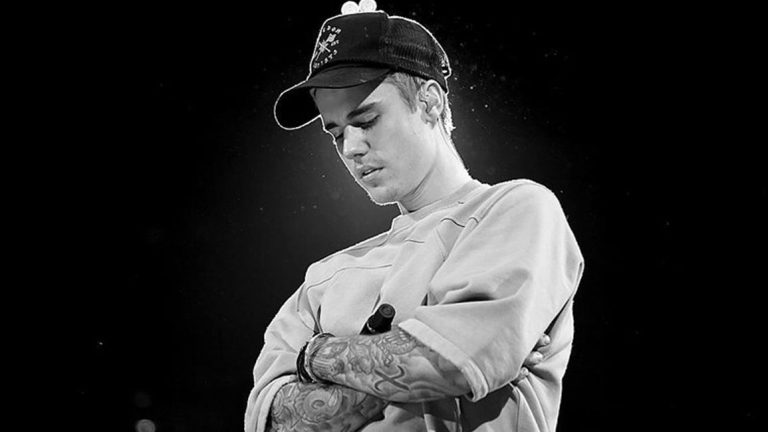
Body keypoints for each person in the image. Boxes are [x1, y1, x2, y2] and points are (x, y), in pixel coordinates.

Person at [244, 2, 584, 431]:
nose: (351, 148)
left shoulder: (515, 209)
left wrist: (312, 355)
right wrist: (434, 353)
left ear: (430, 101)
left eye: (366, 120)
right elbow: (275, 421)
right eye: (336, 133)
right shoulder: (322, 276)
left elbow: (453, 366)